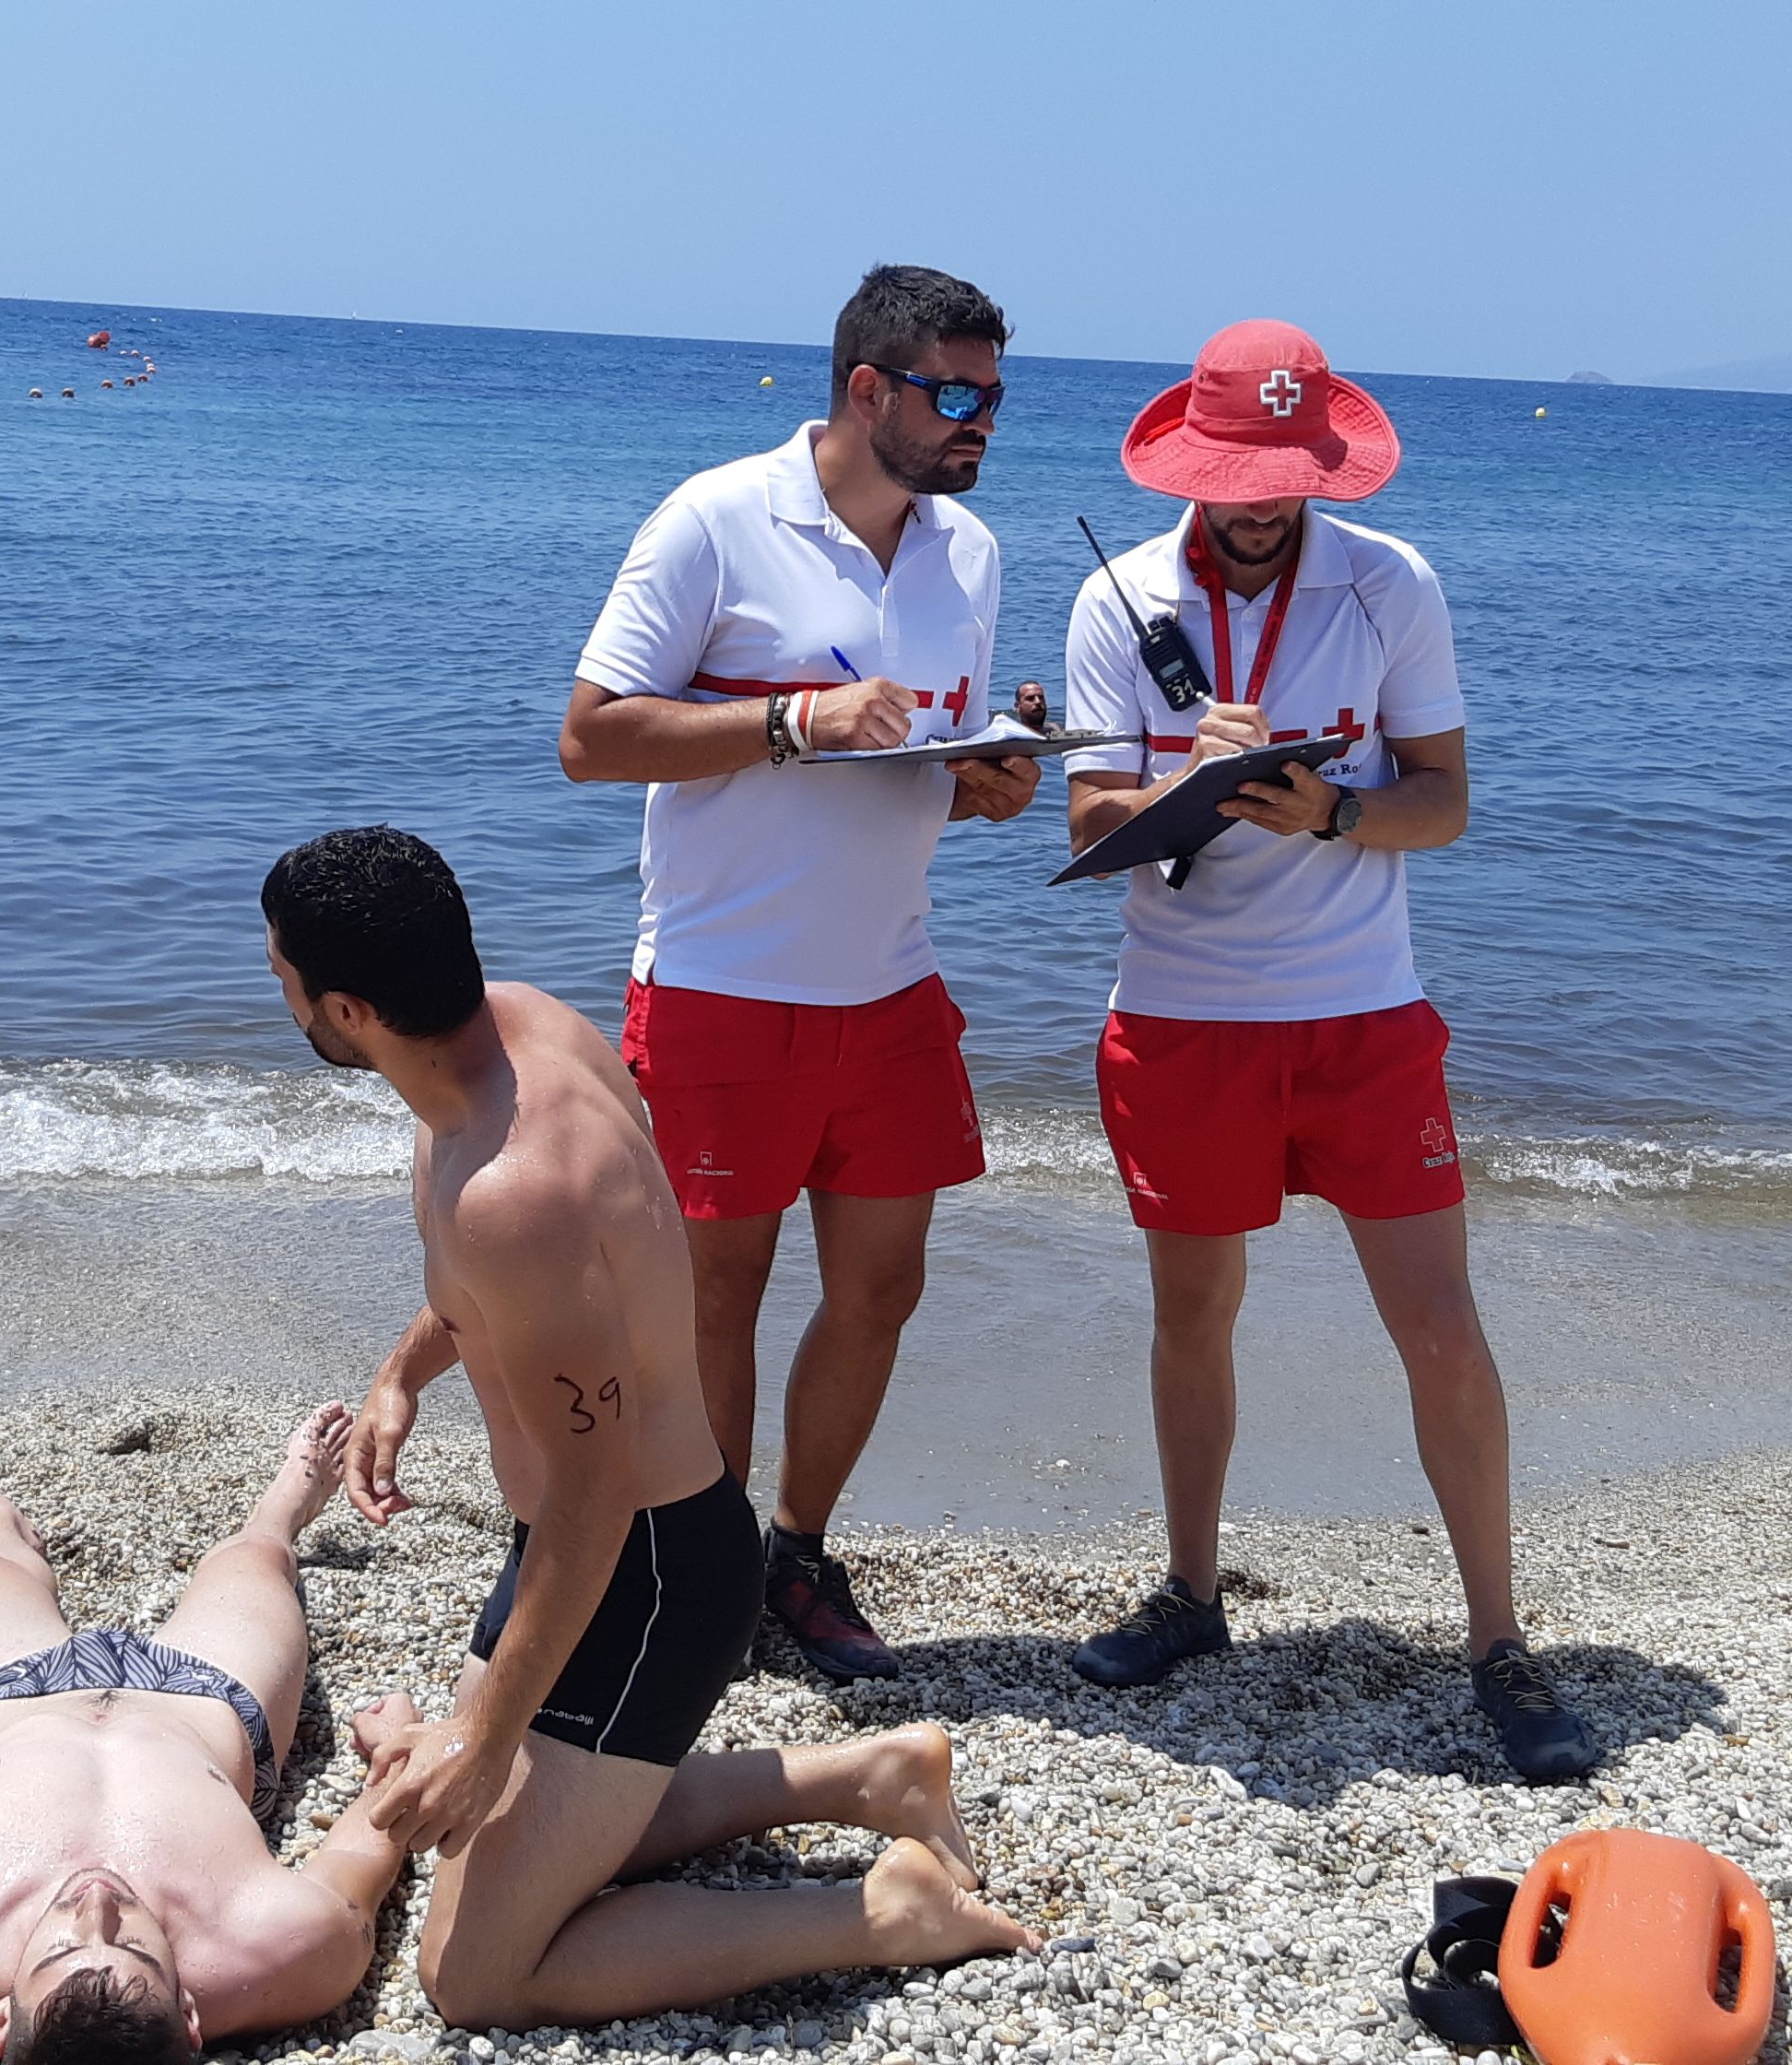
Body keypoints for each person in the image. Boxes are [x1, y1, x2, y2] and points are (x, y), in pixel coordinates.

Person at [270, 827, 1033, 2030]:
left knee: (472, 1973)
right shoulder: (515, 1032)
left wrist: (483, 1732)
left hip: (648, 1573)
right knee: (493, 1818)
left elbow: (599, 1489)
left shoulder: (515, 1191)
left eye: (284, 974)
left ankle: (886, 1911)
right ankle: (872, 1773)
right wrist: (402, 1373)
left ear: (350, 1010)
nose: (277, 990)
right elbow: (539, 1299)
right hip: (580, 1548)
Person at [1053, 322, 1602, 1782]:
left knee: (1440, 1325)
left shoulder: (1389, 581)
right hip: (1182, 1019)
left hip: (1364, 1014)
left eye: (1281, 482)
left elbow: (1446, 802)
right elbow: (1089, 825)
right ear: (1191, 467)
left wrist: (1337, 813)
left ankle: (1498, 1639)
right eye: (1234, 482)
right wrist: (1185, 780)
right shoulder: (1121, 595)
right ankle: (1191, 1593)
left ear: (1320, 467)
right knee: (1193, 1316)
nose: (1256, 509)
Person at [553, 265, 1044, 1680]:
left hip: (890, 982)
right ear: (867, 389)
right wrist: (793, 722)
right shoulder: (716, 519)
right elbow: (591, 737)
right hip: (722, 980)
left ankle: (797, 1555)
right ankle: (701, 1572)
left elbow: (923, 759)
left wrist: (990, 784)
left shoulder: (970, 553)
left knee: (883, 1289)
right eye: (953, 394)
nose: (979, 422)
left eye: (994, 398)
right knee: (716, 1296)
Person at [0, 1410, 407, 2060]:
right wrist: (398, 1756)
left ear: (1, 2022)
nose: (97, 1902)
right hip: (203, 1702)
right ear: (189, 2013)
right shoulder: (293, 1950)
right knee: (257, 1559)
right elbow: (367, 1846)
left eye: (58, 1949)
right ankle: (288, 1508)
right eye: (136, 1947)